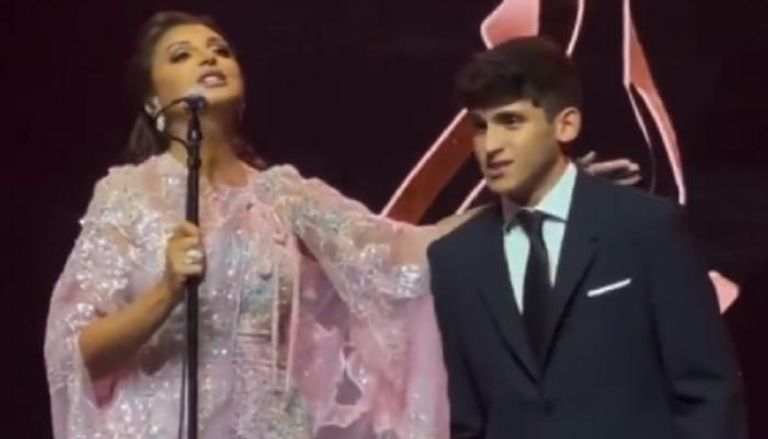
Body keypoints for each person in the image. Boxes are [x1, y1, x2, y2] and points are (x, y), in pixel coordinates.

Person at [44, 11, 452, 439]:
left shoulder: (283, 196)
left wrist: (498, 213)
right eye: (182, 55)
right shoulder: (128, 193)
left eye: (220, 51)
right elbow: (76, 354)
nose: (209, 59)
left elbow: (394, 250)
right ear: (152, 103)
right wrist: (166, 292)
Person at [427, 36, 747, 439]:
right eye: (479, 127)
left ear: (566, 124)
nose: (490, 145)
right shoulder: (455, 260)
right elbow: (467, 421)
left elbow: (708, 392)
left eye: (511, 122)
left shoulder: (646, 228)